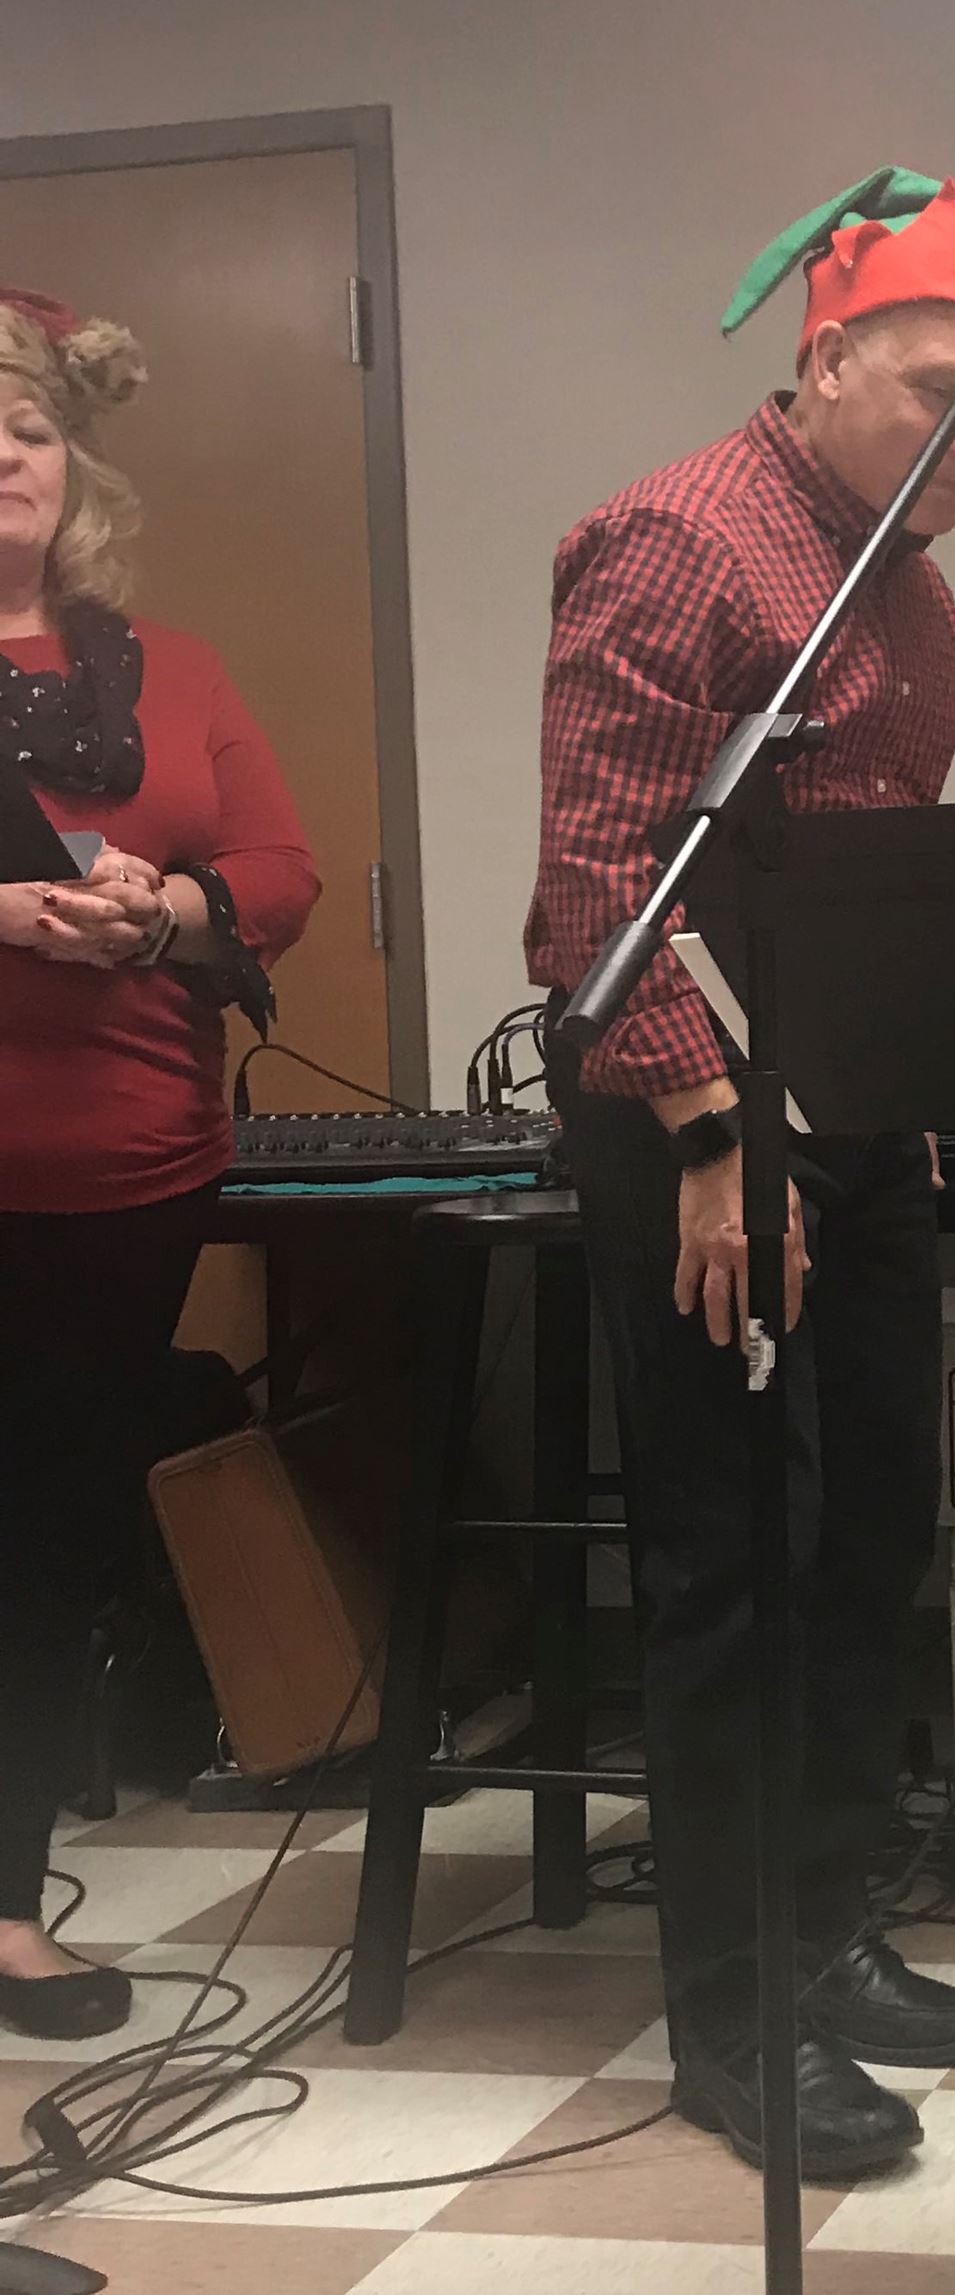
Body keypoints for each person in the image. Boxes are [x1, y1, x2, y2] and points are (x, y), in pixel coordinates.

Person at [523, 169, 955, 2178]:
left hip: (855, 1114)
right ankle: (732, 2012)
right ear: (826, 358)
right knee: (737, 1564)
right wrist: (713, 1134)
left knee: (871, 1542)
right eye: (937, 392)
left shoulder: (913, 602)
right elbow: (600, 883)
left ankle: (829, 1928)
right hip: (690, 1120)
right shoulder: (684, 540)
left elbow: (871, 908)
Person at [0, 287, 317, 2040]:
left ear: (75, 464)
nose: (4, 463)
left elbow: (278, 869)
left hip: (129, 1173)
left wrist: (168, 904)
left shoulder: (170, 669)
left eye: (30, 433)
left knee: (46, 1540)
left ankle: (4, 1903)